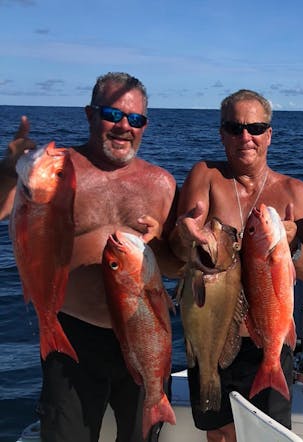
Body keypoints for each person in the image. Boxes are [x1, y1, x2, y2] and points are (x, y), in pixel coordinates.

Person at [0, 72, 178, 441]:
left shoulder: (162, 183)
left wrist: (161, 243)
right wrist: (9, 166)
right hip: (72, 336)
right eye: (113, 114)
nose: (124, 126)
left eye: (136, 119)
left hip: (142, 336)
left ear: (146, 125)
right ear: (89, 114)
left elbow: (175, 265)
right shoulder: (57, 170)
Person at [170, 89, 303, 442]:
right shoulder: (206, 176)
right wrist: (187, 234)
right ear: (221, 133)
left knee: (266, 436)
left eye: (255, 127)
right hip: (214, 334)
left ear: (269, 133)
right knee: (220, 436)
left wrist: (294, 244)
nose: (246, 137)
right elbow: (178, 254)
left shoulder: (294, 191)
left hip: (270, 340)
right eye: (234, 127)